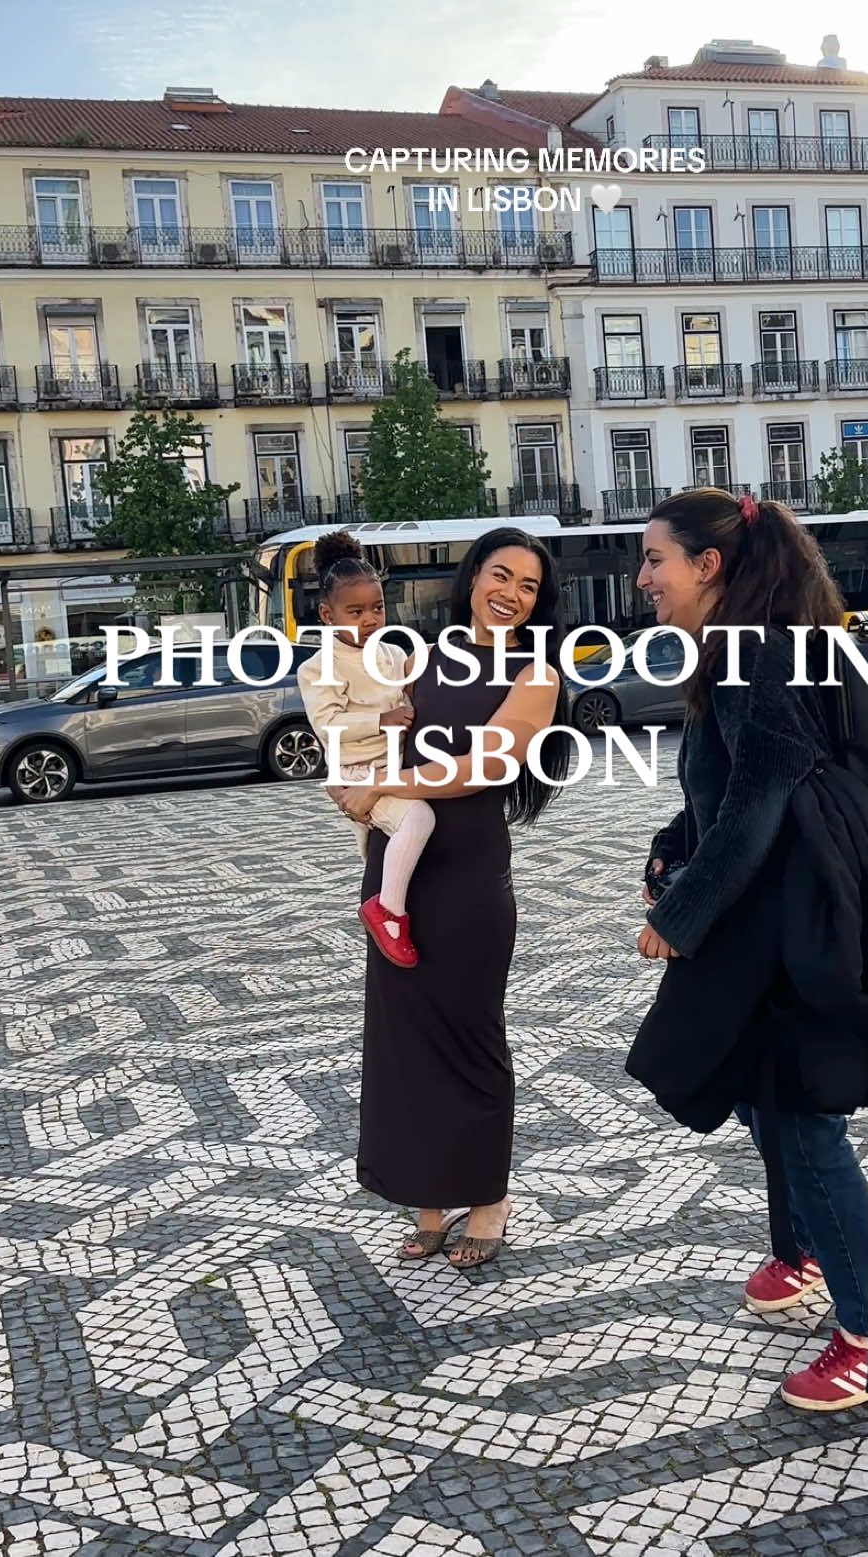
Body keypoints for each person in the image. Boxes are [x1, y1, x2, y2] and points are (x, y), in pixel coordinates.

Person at [626, 487, 868, 1412]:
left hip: (800, 918)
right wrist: (672, 847)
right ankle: (798, 1252)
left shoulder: (757, 650)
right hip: (776, 909)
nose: (644, 578)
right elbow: (730, 785)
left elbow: (758, 808)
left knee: (796, 1111)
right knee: (762, 1092)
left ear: (706, 565)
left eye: (654, 560)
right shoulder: (746, 646)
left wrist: (680, 916)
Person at [330, 527, 569, 1267]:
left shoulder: (536, 674)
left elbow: (485, 763)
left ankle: (488, 1200)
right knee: (403, 1047)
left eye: (528, 587)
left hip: (466, 880)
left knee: (470, 1042)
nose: (512, 594)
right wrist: (350, 785)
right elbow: (367, 736)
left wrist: (383, 786)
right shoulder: (419, 657)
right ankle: (429, 1200)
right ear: (473, 578)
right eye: (501, 575)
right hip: (397, 874)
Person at [297, 532, 435, 968]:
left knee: (393, 845)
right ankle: (387, 911)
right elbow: (327, 726)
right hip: (360, 772)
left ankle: (394, 900)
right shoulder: (318, 667)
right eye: (355, 612)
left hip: (398, 766)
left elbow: (410, 695)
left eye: (377, 608)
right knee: (418, 820)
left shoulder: (393, 652)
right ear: (327, 614)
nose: (370, 619)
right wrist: (381, 720)